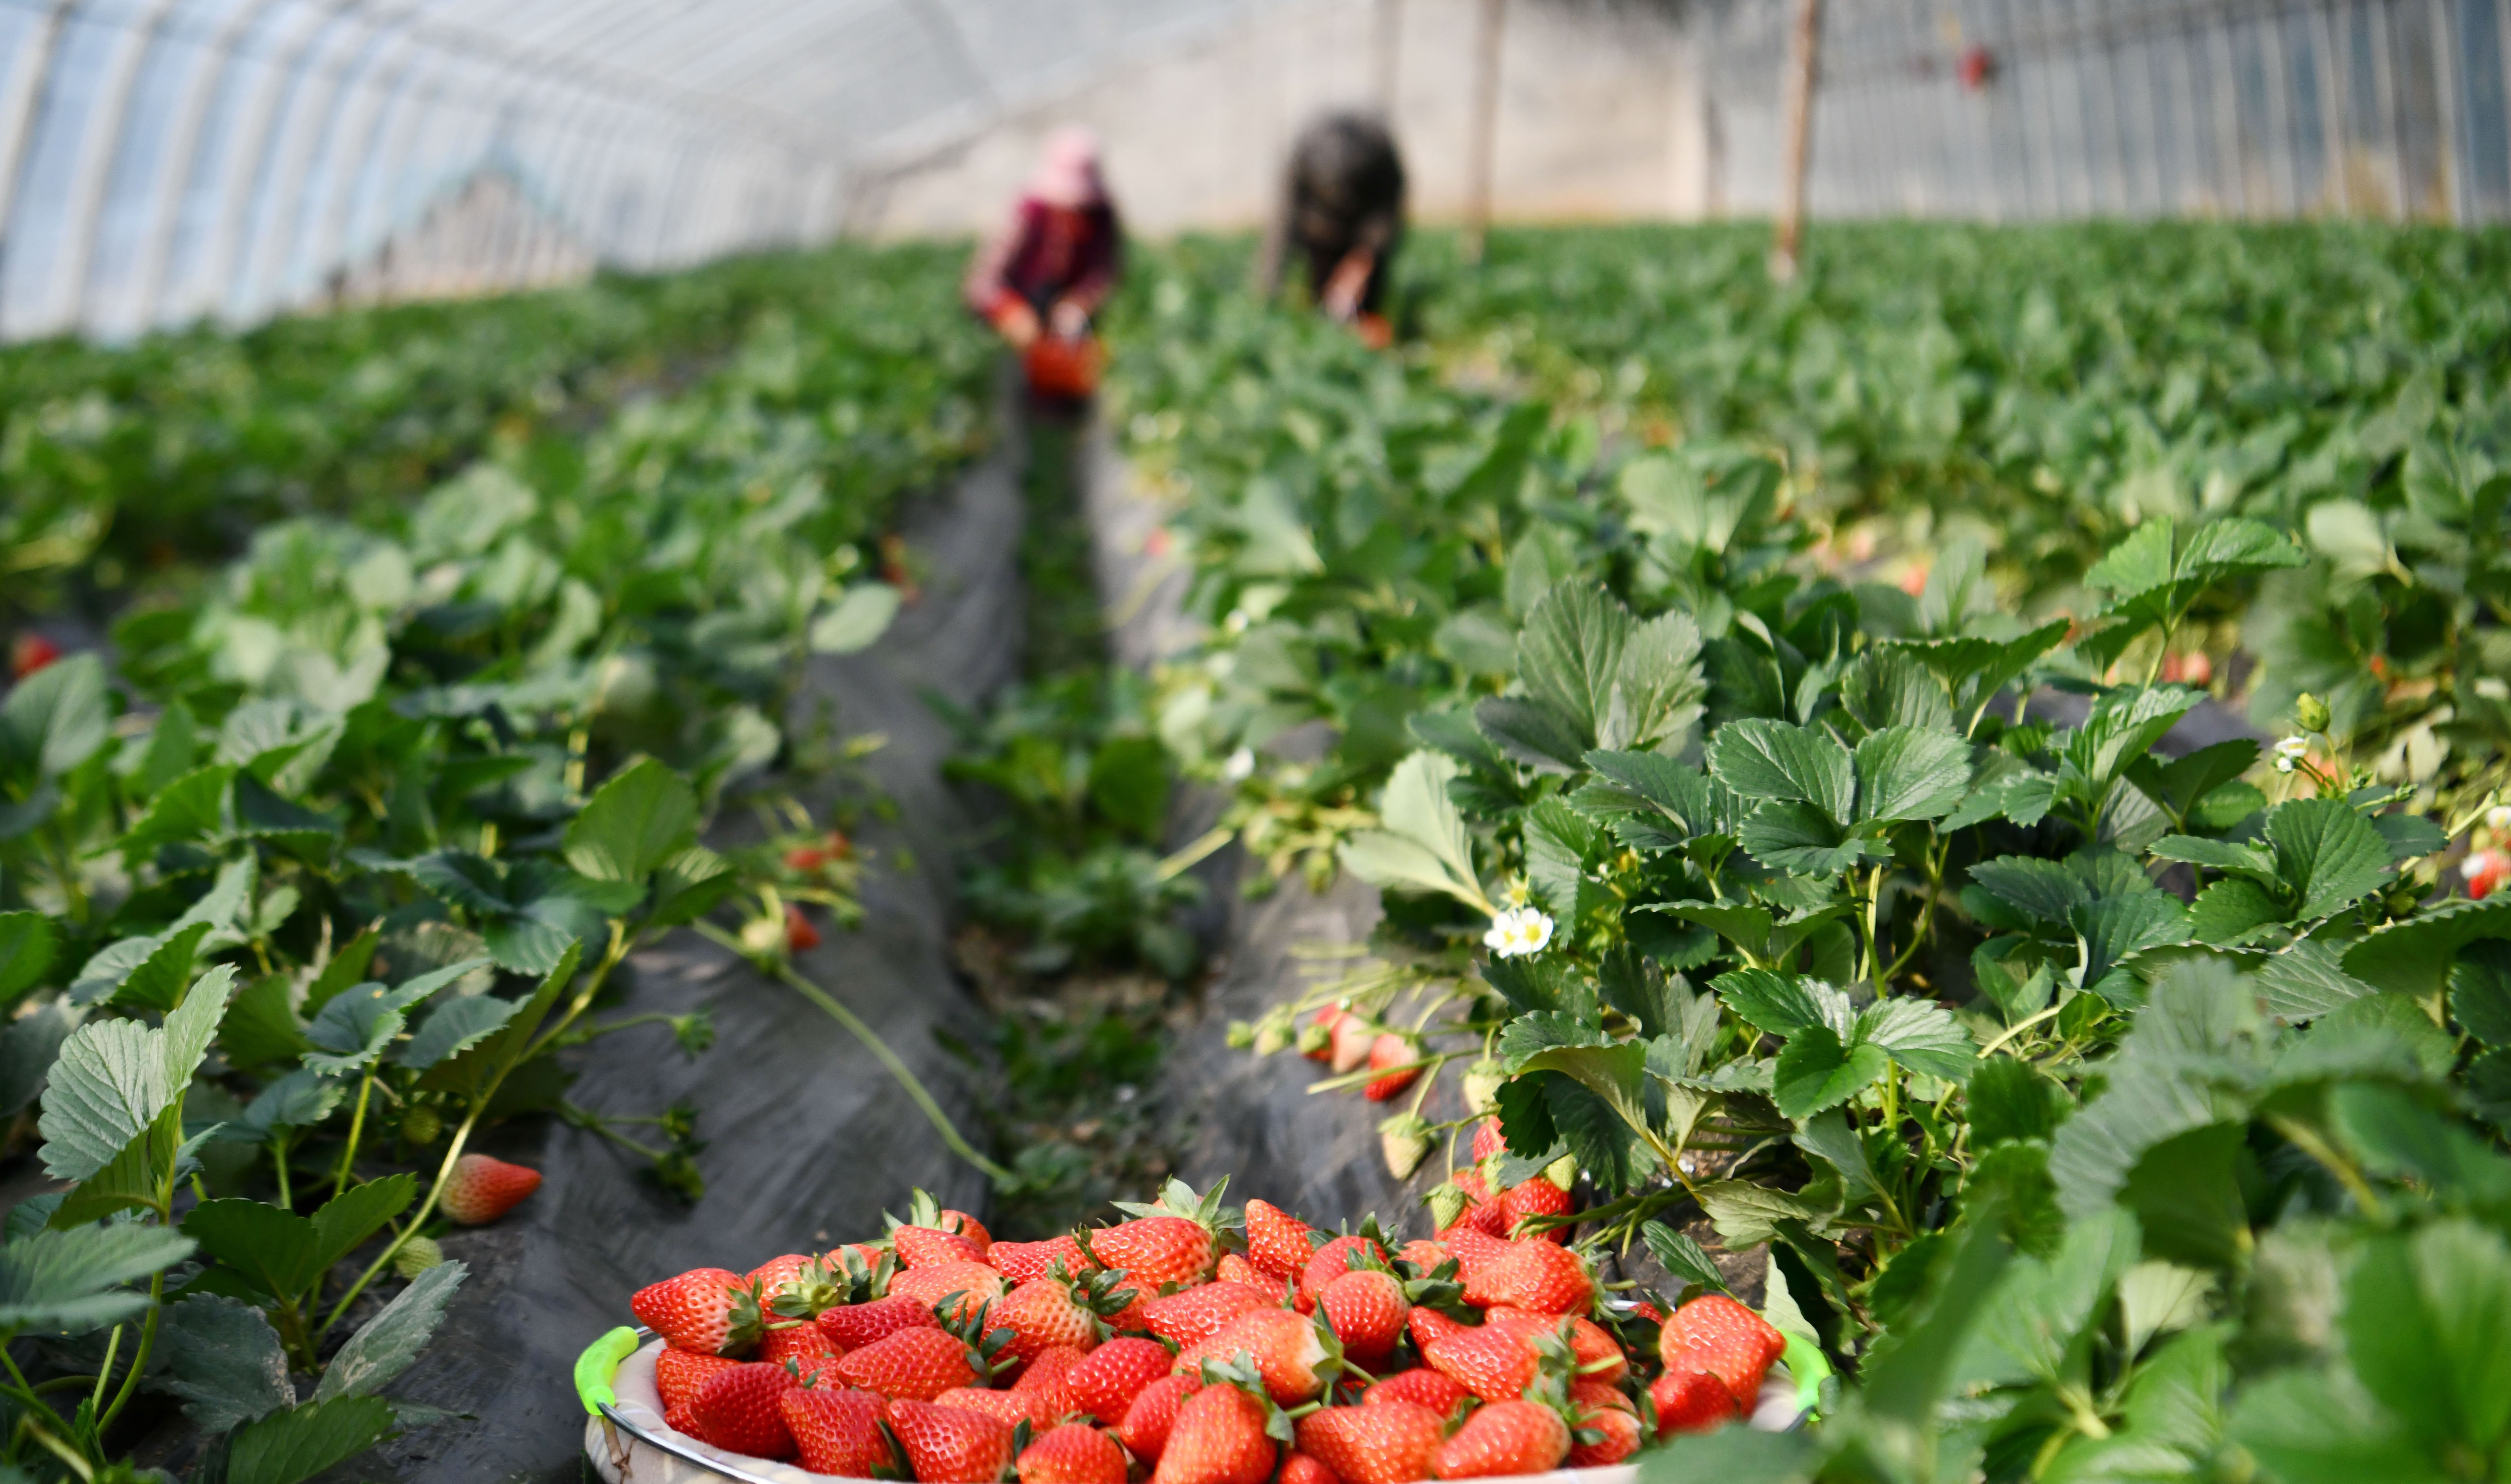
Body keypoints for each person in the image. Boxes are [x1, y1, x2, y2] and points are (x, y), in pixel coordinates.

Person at [965, 126, 1122, 399]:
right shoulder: (1028, 215)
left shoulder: (1101, 218)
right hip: (1019, 311)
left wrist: (1079, 303)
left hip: (1067, 324)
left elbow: (1106, 271)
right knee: (1011, 375)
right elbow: (980, 284)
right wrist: (1009, 311)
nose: (1075, 212)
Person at [1258, 111, 1406, 347]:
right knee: (1325, 301)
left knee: (1367, 302)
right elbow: (1282, 222)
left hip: (1364, 230)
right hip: (1318, 235)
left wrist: (1365, 256)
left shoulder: (1377, 151)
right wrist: (1269, 284)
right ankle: (1327, 344)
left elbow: (1388, 211)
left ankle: (1367, 351)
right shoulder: (1303, 157)